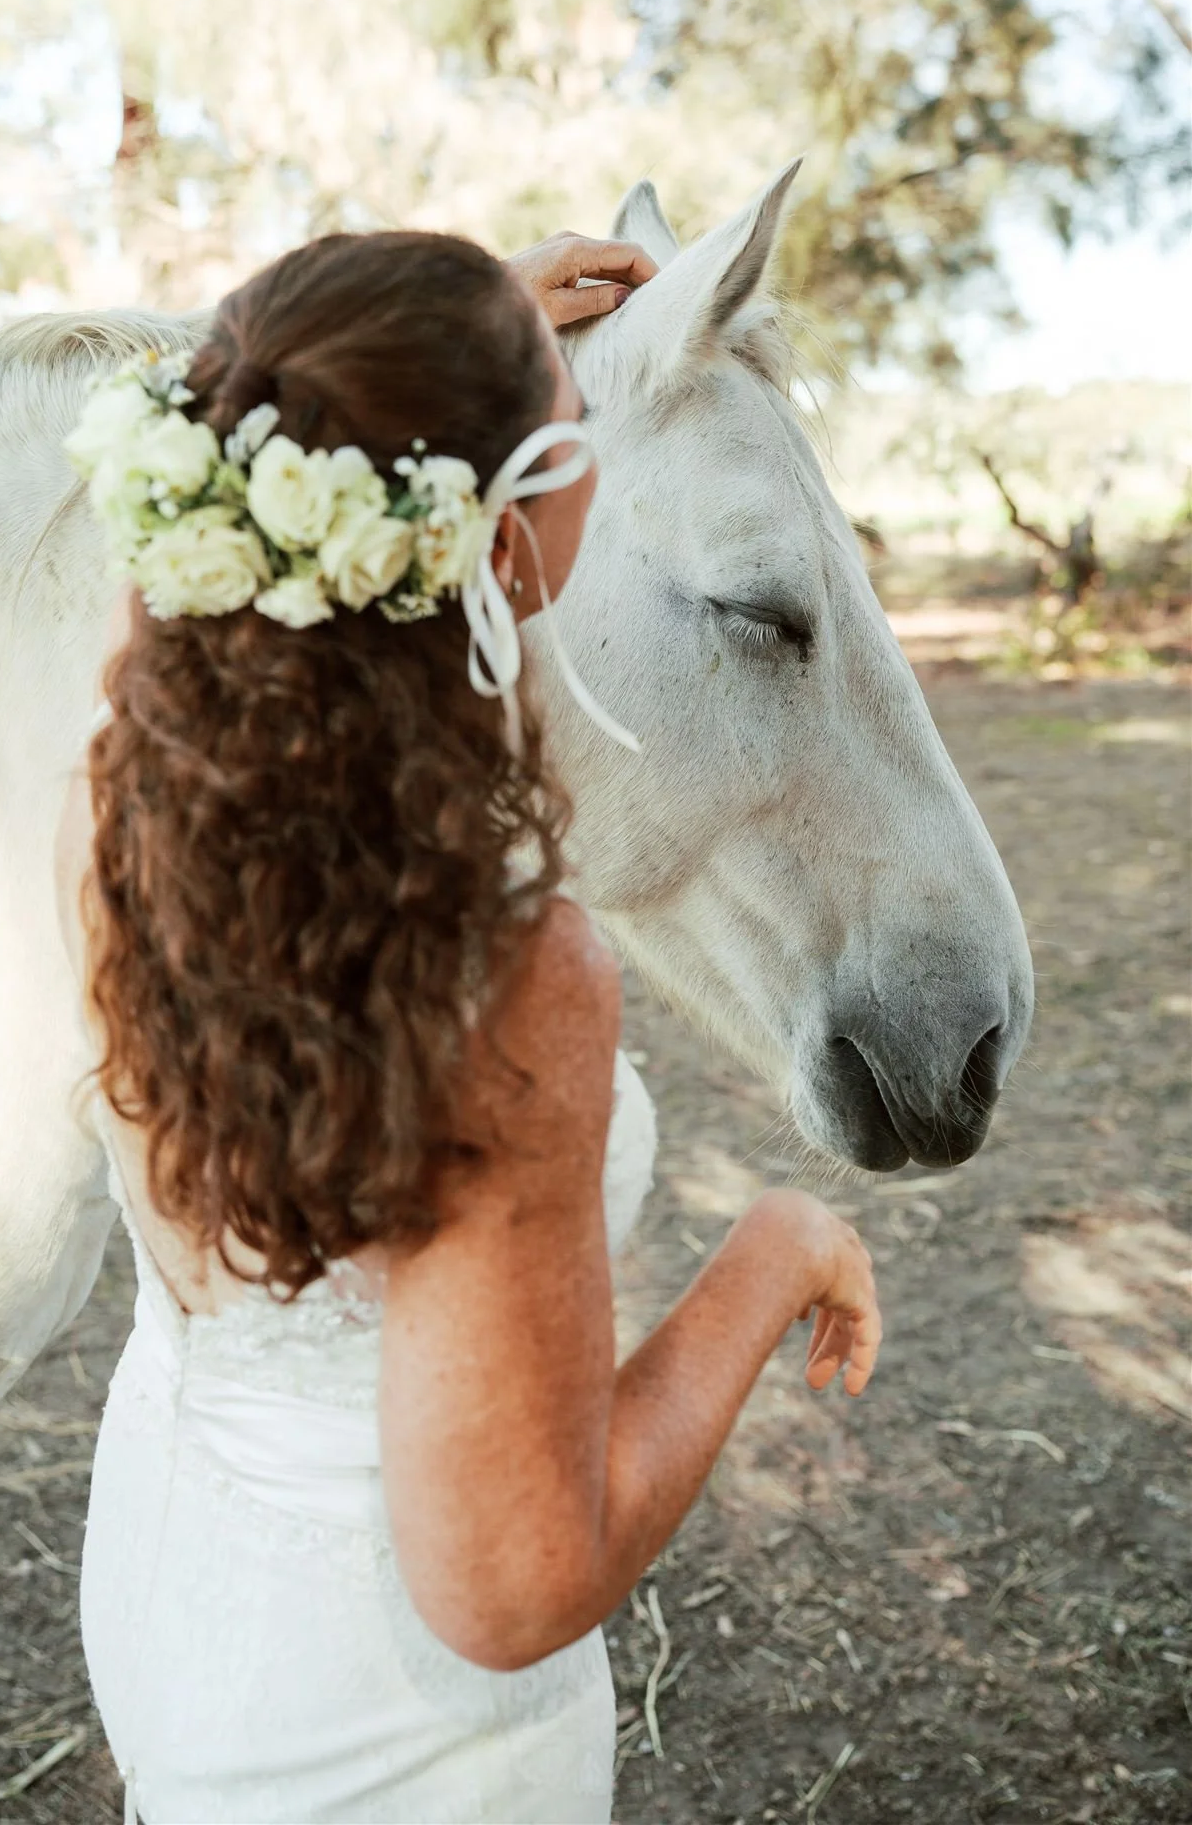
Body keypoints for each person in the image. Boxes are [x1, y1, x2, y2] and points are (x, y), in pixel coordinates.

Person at [56, 226, 882, 1825]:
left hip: (180, 1610)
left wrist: (441, 330)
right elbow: (513, 1585)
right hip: (395, 1749)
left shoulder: (127, 796)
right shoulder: (506, 979)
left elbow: (195, 515)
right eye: (570, 423)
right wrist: (776, 1246)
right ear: (502, 528)